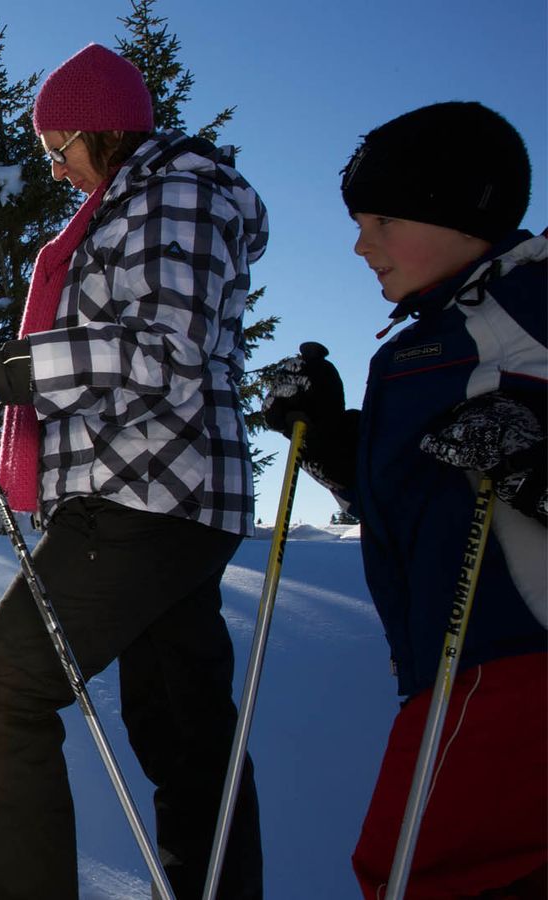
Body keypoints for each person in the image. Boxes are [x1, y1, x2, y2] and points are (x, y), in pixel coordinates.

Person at [0, 44, 268, 899]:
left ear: (102, 130)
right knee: (181, 730)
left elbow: (165, 352)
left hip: (147, 493)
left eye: (58, 147)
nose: (56, 168)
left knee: (3, 690)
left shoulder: (174, 194)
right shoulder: (133, 203)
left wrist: (6, 370)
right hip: (164, 493)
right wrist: (1, 372)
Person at [262, 101, 545, 899]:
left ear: (463, 210)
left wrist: (535, 461)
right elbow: (430, 495)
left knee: (424, 870)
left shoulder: (529, 308)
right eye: (359, 222)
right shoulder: (435, 337)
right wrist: (330, 439)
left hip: (514, 660)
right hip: (453, 667)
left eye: (383, 219)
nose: (362, 244)